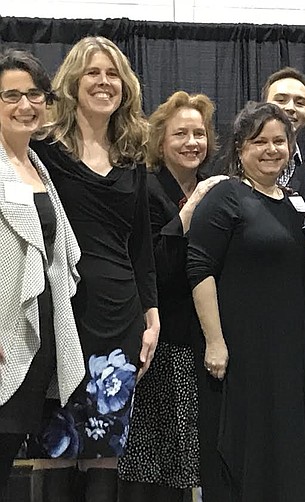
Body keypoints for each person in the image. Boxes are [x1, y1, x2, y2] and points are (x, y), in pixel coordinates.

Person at [27, 36, 159, 502]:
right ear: (73, 82)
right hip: (58, 313)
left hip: (119, 316)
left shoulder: (133, 156)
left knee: (105, 448)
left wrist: (152, 313)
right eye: (93, 73)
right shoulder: (42, 150)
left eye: (113, 74)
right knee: (54, 447)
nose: (104, 82)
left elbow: (141, 245)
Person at [186, 101, 305, 502]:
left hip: (290, 352)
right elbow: (199, 269)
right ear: (239, 149)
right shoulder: (225, 197)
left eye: (279, 141)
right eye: (258, 141)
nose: (270, 150)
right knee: (244, 449)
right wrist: (215, 341)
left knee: (288, 449)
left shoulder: (298, 204)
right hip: (240, 352)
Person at [117, 91, 225, 501]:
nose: (192, 142)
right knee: (144, 465)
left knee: (181, 467)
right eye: (181, 133)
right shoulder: (144, 188)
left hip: (194, 342)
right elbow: (153, 265)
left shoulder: (214, 190)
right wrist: (189, 210)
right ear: (160, 141)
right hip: (154, 339)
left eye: (199, 133)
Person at [0, 49, 83, 498]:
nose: (25, 105)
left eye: (34, 94)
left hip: (32, 337)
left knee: (9, 451)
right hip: (2, 335)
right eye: (11, 95)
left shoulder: (39, 168)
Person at [261, 66, 305, 196]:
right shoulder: (237, 164)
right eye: (281, 100)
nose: (290, 108)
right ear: (262, 109)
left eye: (299, 103)